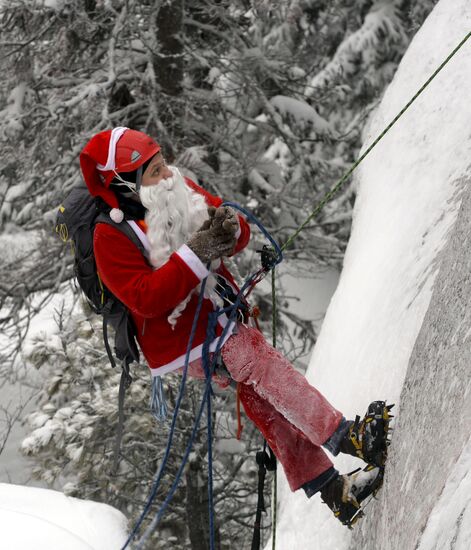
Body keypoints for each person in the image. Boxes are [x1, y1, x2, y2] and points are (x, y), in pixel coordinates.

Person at [79, 127, 392, 527]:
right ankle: (348, 436)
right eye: (154, 170)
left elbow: (234, 236)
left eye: (163, 162)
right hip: (180, 342)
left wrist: (231, 227)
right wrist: (199, 250)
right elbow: (146, 297)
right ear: (126, 183)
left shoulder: (176, 188)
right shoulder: (109, 235)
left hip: (216, 316)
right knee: (257, 363)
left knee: (260, 391)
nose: (167, 174)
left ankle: (333, 490)